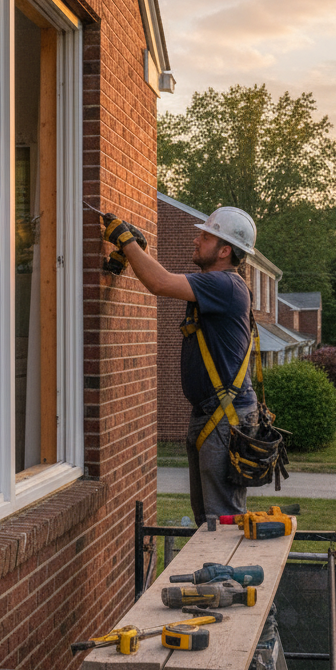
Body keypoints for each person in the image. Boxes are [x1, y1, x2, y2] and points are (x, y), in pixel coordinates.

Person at [104, 206, 259, 525]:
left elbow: (160, 283)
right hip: (213, 414)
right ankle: (213, 571)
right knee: (207, 517)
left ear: (224, 250)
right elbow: (162, 279)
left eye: (205, 236)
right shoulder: (217, 285)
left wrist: (127, 242)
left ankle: (225, 574)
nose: (195, 240)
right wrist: (131, 251)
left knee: (223, 519)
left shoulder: (224, 285)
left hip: (225, 417)